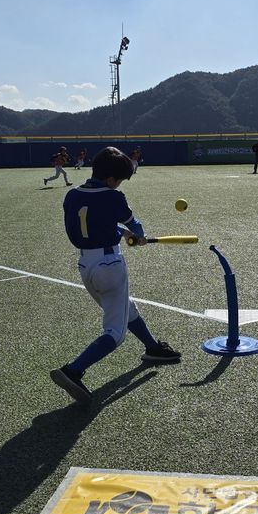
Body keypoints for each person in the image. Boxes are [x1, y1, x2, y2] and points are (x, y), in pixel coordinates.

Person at [51, 146, 181, 405]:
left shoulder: (72, 195)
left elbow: (98, 223)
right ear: (111, 179)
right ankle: (73, 370)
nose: (119, 184)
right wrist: (138, 236)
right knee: (115, 333)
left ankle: (153, 347)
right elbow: (135, 224)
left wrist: (121, 233)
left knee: (125, 308)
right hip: (110, 265)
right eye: (119, 180)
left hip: (86, 266)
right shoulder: (114, 197)